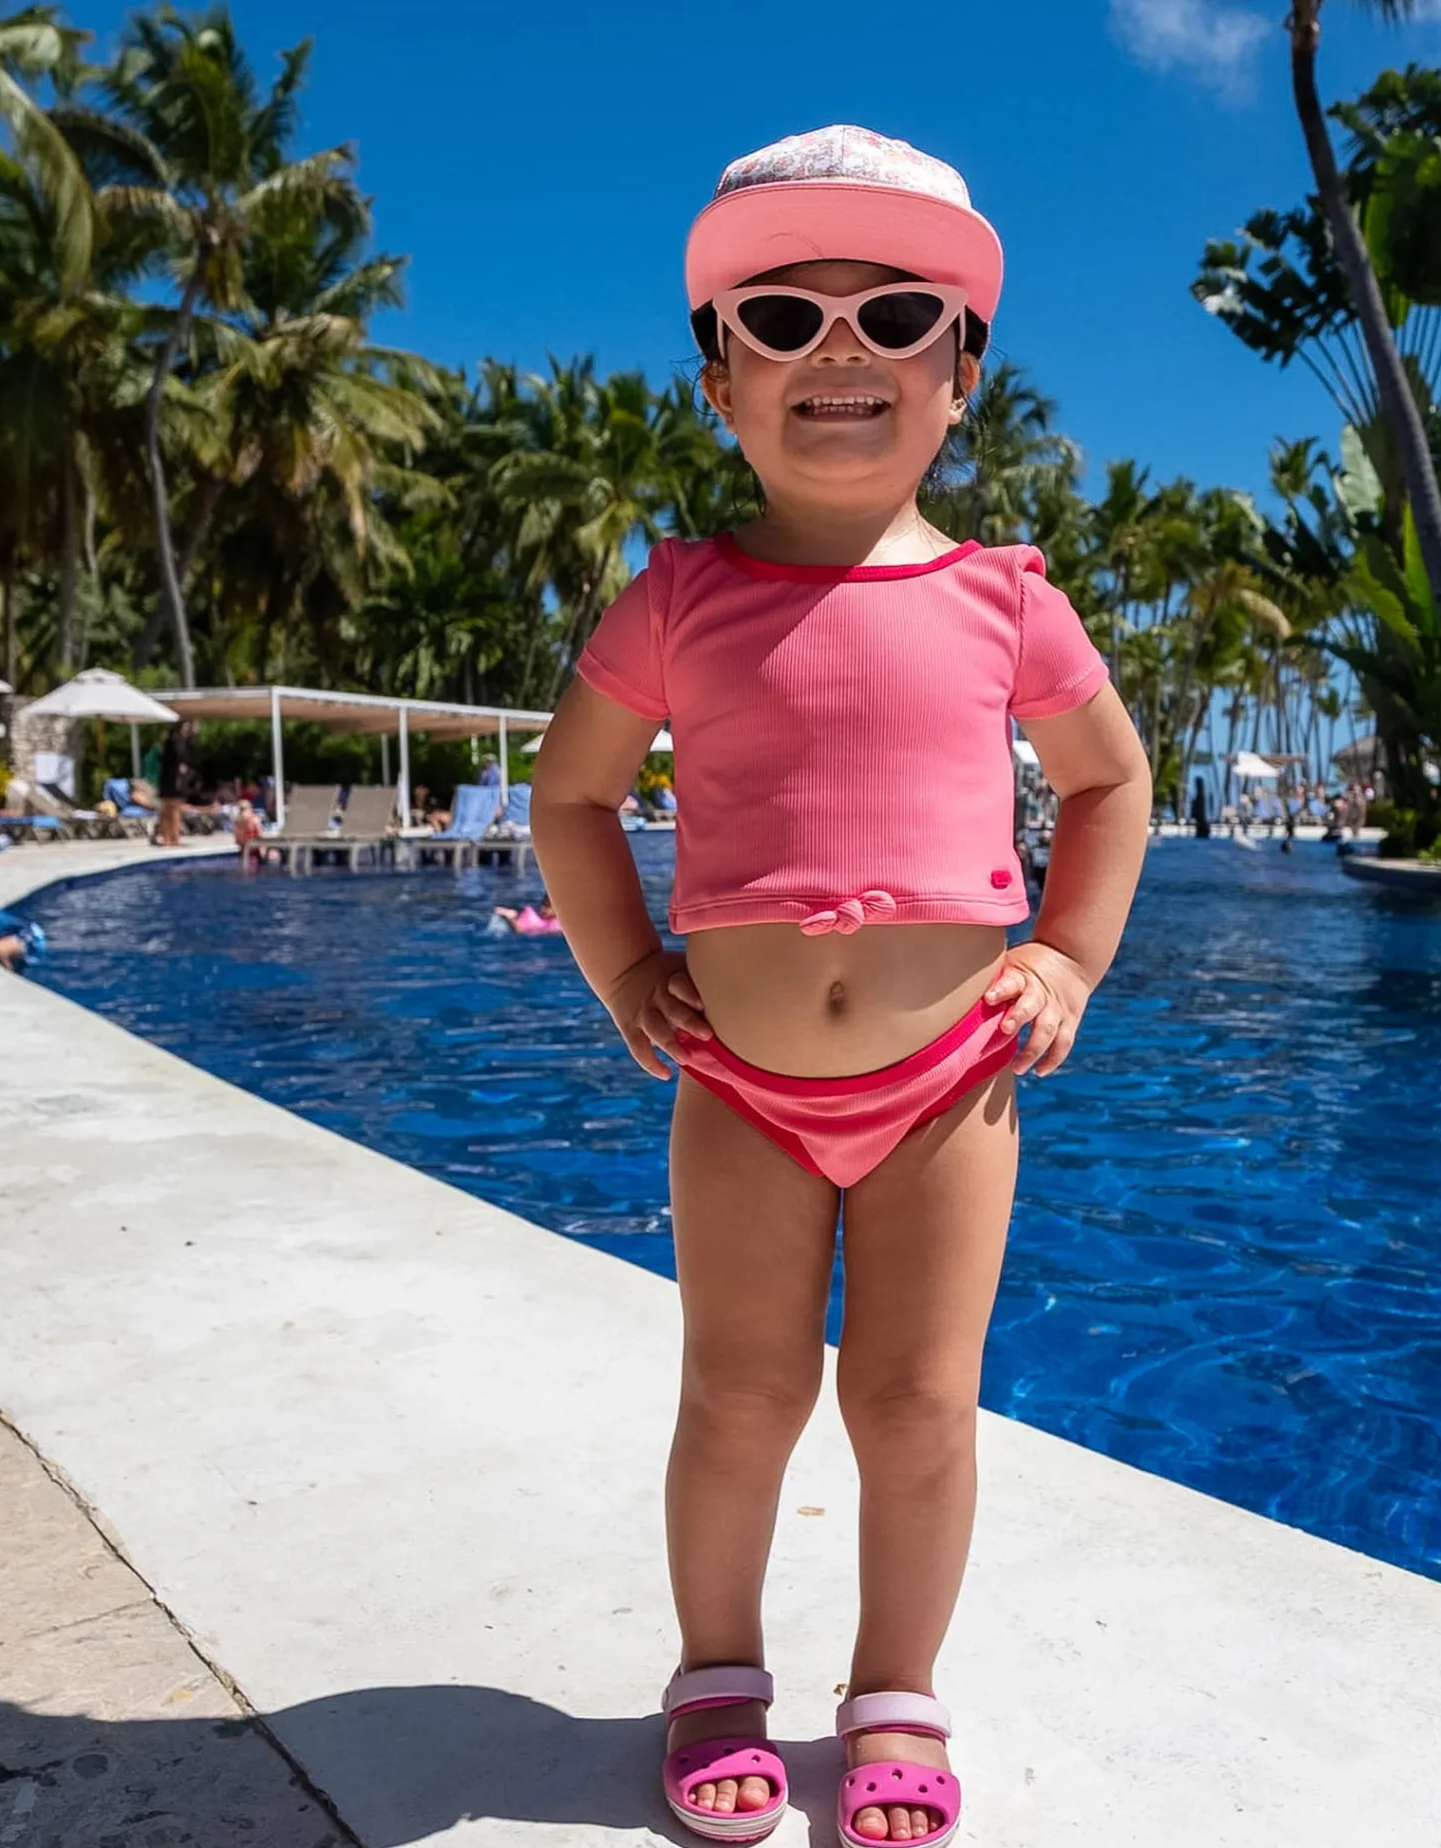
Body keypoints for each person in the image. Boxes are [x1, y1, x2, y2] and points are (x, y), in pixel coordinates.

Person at [530, 128, 1151, 1848]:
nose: (838, 349)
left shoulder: (1003, 600)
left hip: (947, 1086)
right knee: (738, 1394)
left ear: (962, 370)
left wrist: (1066, 953)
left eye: (892, 313)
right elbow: (572, 798)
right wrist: (624, 967)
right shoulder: (677, 598)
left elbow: (1110, 782)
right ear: (717, 374)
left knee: (916, 1403)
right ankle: (717, 1672)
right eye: (783, 316)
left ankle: (895, 1688)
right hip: (740, 1087)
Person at [155, 721, 194, 847]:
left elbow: (163, 759)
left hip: (167, 779)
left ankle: (166, 837)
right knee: (174, 809)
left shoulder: (168, 742)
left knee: (167, 809)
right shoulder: (178, 743)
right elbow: (180, 762)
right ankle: (174, 837)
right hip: (174, 780)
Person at [492, 895, 565, 936]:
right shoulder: (532, 915)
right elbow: (519, 930)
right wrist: (510, 919)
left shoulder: (560, 922)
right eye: (543, 904)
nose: (543, 908)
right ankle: (511, 914)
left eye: (547, 906)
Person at [1189, 775, 1211, 841]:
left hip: (1199, 814)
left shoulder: (1200, 795)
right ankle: (1202, 831)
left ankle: (1202, 831)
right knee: (1200, 822)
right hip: (1199, 814)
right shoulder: (1201, 794)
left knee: (1200, 822)